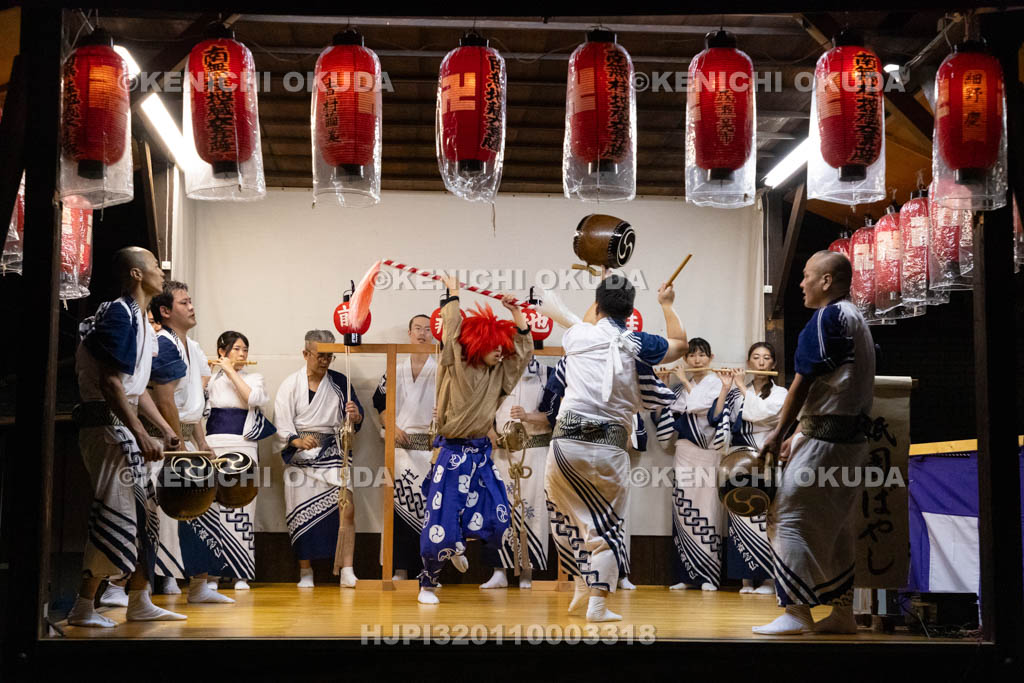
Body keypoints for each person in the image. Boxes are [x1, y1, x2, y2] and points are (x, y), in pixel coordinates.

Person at [547, 274, 686, 622]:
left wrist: (599, 288)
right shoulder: (638, 342)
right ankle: (597, 603)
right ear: (632, 310)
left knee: (567, 517)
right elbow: (680, 344)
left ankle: (581, 581)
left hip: (565, 444)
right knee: (605, 526)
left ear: (596, 306)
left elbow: (589, 317)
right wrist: (667, 304)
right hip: (608, 445)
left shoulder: (577, 335)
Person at [753, 251, 875, 635]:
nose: (801, 283)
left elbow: (805, 379)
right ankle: (842, 614)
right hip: (848, 440)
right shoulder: (857, 320)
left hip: (827, 441)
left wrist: (779, 432)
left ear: (826, 281)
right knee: (835, 527)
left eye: (807, 276)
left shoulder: (828, 317)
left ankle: (796, 612)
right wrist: (799, 433)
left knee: (786, 517)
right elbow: (840, 387)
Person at [67, 247, 187, 627]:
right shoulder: (117, 312)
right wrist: (139, 434)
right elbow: (110, 382)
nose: (161, 271)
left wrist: (167, 431)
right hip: (105, 426)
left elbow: (136, 390)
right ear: (136, 274)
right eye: (154, 265)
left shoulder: (141, 318)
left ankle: (139, 599)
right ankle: (83, 607)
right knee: (115, 514)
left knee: (145, 515)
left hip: (121, 425)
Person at [417, 275, 532, 605]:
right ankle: (428, 581)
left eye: (502, 347)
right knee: (440, 524)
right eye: (493, 346)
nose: (500, 352)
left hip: (481, 456)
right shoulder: (458, 367)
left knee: (498, 518)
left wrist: (516, 314)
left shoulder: (500, 373)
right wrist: (453, 295)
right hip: (451, 454)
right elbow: (453, 333)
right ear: (478, 345)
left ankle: (459, 544)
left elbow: (522, 355)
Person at [147, 281, 234, 604]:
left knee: (202, 510)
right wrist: (177, 449)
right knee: (160, 514)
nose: (192, 306)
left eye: (191, 301)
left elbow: (195, 401)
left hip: (186, 437)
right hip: (163, 440)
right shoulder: (163, 343)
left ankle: (199, 585)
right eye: (184, 303)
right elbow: (166, 400)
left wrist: (202, 443)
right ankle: (127, 586)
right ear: (166, 311)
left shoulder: (191, 346)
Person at [274, 330, 363, 588]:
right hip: (300, 457)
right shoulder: (290, 384)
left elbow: (355, 420)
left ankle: (348, 569)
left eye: (329, 356)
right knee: (300, 513)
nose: (325, 361)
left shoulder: (340, 382)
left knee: (346, 508)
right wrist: (296, 441)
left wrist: (355, 416)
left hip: (334, 452)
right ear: (305, 354)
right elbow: (281, 420)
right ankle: (305, 571)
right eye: (320, 355)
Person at [712, 343, 787, 595]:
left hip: (765, 456)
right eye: (756, 357)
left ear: (773, 364)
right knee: (739, 513)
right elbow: (717, 418)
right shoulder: (734, 394)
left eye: (767, 358)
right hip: (739, 460)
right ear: (749, 362)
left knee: (765, 515)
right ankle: (745, 579)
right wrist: (726, 387)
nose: (761, 362)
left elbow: (762, 415)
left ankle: (767, 580)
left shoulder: (781, 393)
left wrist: (742, 386)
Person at [206, 330, 276, 590]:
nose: (242, 354)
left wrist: (232, 371)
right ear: (222, 351)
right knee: (213, 506)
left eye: (245, 349)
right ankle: (211, 574)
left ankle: (241, 573)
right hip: (214, 444)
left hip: (243, 445)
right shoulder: (210, 379)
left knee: (243, 505)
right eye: (236, 349)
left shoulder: (254, 377)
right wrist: (215, 373)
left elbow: (253, 399)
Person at [655, 337, 727, 592]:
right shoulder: (677, 389)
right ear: (685, 359)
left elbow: (705, 410)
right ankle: (684, 574)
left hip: (708, 454)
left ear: (711, 358)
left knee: (708, 511)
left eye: (702, 355)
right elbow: (666, 414)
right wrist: (664, 385)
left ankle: (708, 575)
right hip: (684, 452)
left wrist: (684, 381)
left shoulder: (719, 383)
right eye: (692, 356)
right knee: (683, 509)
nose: (697, 360)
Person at [372, 314, 437, 581]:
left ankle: (429, 569)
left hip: (430, 452)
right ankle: (398, 568)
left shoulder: (442, 369)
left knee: (429, 512)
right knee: (396, 510)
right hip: (398, 451)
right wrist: (391, 425)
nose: (422, 333)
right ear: (409, 332)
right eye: (417, 328)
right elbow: (379, 404)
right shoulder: (394, 369)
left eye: (427, 329)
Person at [481, 357, 553, 590]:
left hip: (534, 451)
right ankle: (498, 570)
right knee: (498, 509)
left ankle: (527, 570)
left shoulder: (549, 373)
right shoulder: (496, 372)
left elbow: (557, 416)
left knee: (533, 509)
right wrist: (489, 430)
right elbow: (483, 408)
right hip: (502, 453)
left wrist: (529, 416)